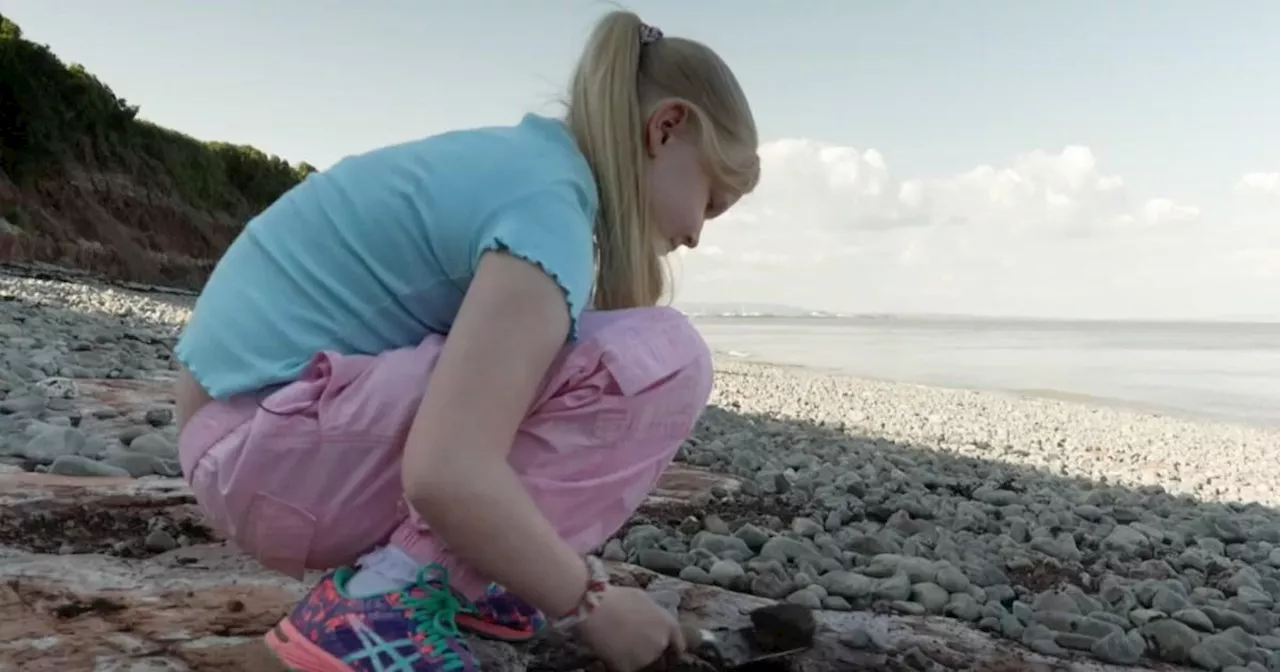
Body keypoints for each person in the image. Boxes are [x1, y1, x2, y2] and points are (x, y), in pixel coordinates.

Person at [172, 9, 759, 672]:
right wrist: (590, 602)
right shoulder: (546, 211)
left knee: (573, 356)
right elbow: (445, 470)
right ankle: (382, 600)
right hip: (261, 457)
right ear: (667, 127)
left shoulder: (527, 172)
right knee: (666, 359)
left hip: (249, 442)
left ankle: (471, 576)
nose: (696, 234)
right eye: (711, 199)